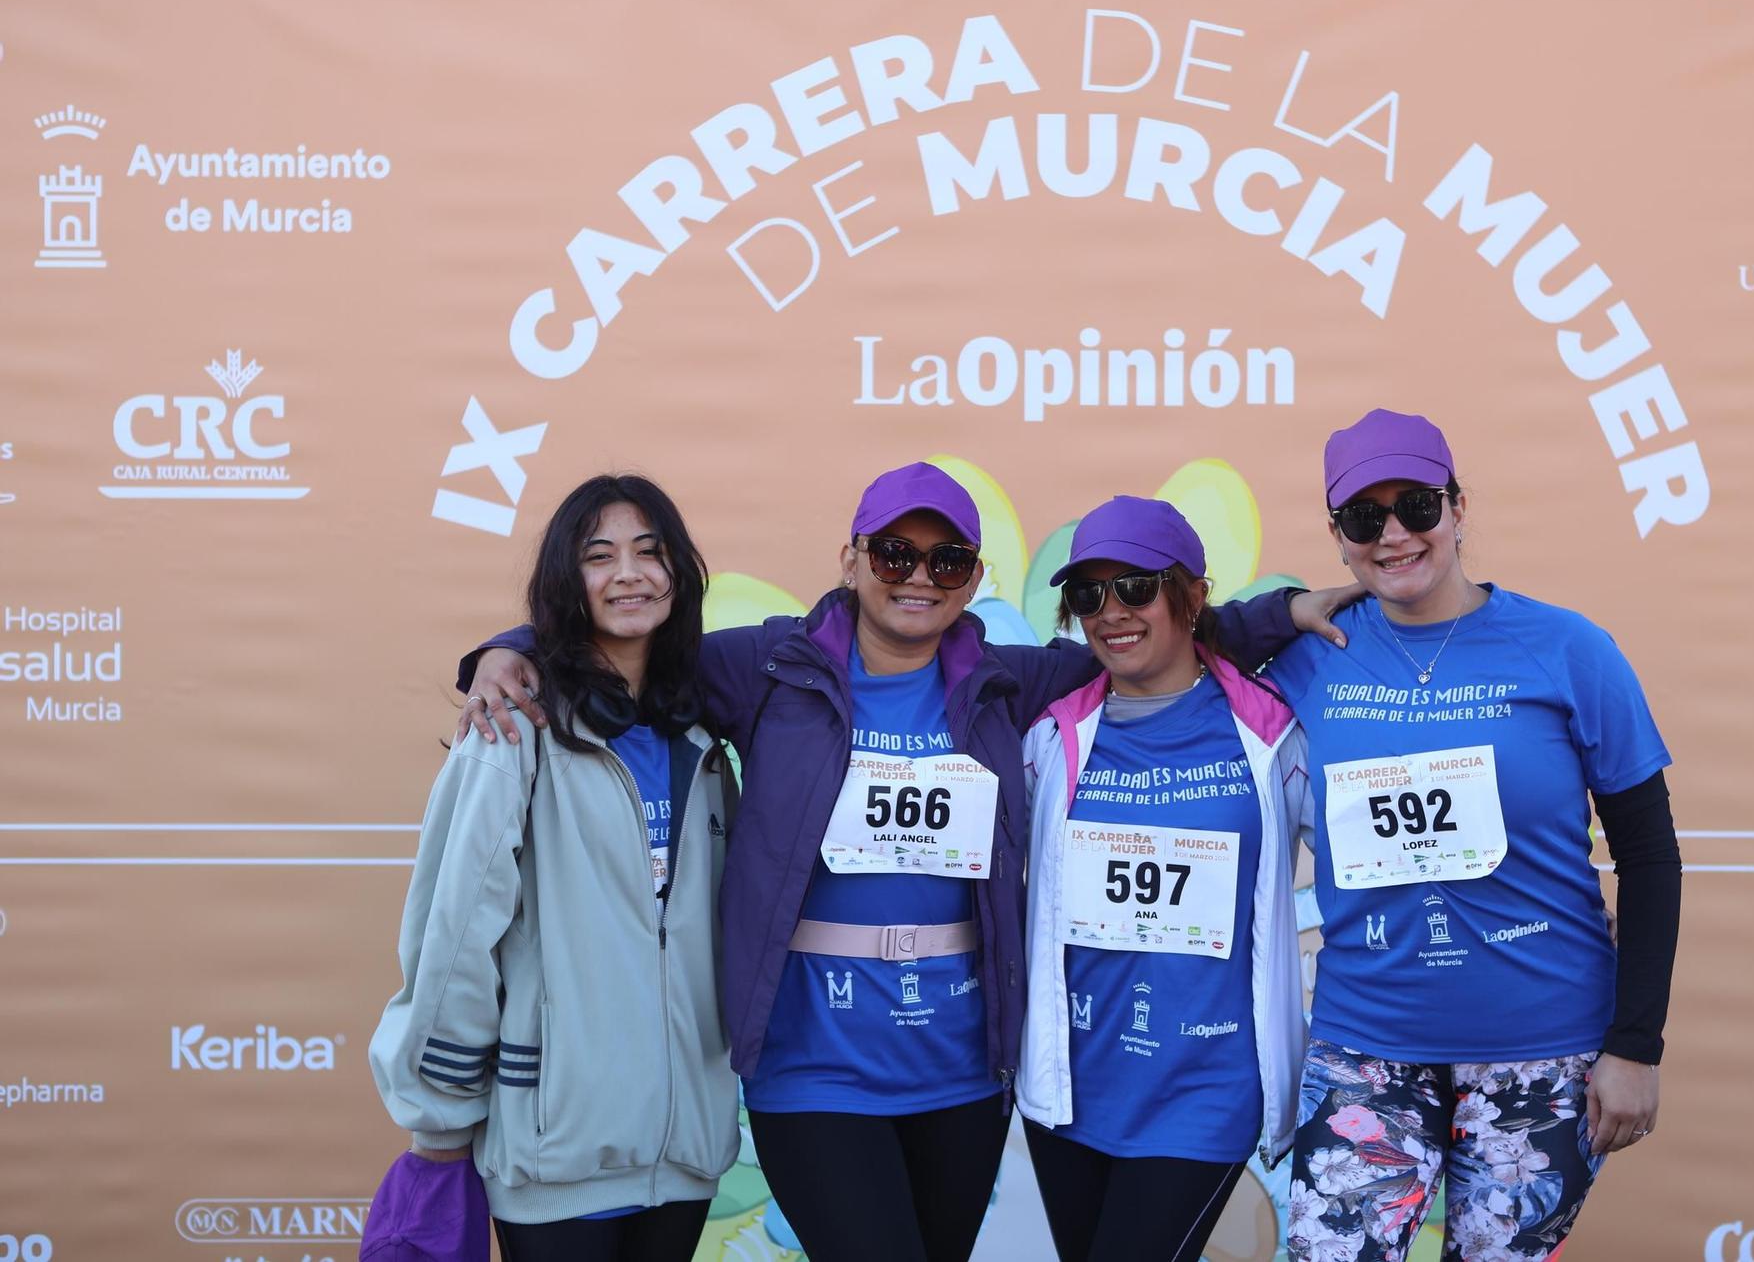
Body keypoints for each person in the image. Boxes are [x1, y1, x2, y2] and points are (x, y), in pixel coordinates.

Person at [455, 463, 1352, 1262]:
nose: (918, 578)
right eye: (894, 555)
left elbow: (1144, 637)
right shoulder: (768, 668)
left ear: (972, 580)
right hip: (815, 1066)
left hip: (958, 1075)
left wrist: (1272, 616)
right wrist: (514, 649)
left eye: (946, 562)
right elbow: (632, 644)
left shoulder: (1006, 681)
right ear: (850, 560)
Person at [1266, 410, 1682, 1262]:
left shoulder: (1567, 650)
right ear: (1338, 536)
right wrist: (1277, 609)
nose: (1393, 534)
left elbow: (1648, 852)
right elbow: (1170, 639)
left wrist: (1637, 1044)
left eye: (1416, 505)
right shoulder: (1312, 656)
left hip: (1543, 1049)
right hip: (1367, 1045)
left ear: (1457, 508)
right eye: (1363, 519)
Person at [369, 474, 740, 1262]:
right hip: (555, 1148)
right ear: (567, 584)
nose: (629, 573)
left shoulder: (702, 739)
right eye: (599, 556)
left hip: (683, 1152)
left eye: (650, 551)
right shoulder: (512, 731)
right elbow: (457, 931)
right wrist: (438, 1118)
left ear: (679, 572)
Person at [1017, 497, 1316, 1262]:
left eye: (1135, 588)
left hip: (1204, 1086)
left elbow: (1372, 857)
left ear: (1190, 593)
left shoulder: (1273, 730)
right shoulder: (1049, 734)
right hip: (1072, 1086)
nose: (1110, 612)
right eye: (1088, 594)